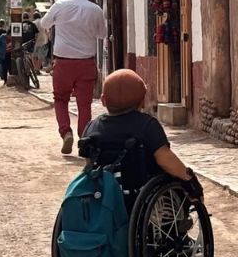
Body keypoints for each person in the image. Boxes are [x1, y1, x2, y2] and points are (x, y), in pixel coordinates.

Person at [79, 69, 203, 198]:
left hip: (102, 195)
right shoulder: (147, 125)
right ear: (142, 102)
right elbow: (165, 159)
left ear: (103, 100)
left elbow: (89, 163)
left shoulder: (92, 127)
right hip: (139, 196)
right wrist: (190, 180)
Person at [40, 0, 106, 154]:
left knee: (60, 99)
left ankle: (65, 131)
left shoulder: (60, 5)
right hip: (86, 63)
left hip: (63, 62)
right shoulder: (96, 10)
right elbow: (102, 34)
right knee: (84, 104)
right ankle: (84, 140)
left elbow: (44, 23)